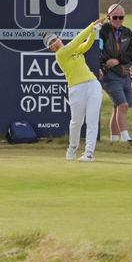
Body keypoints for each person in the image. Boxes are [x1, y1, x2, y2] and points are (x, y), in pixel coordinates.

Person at [46, 17, 105, 162]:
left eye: (54, 40)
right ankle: (72, 148)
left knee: (92, 120)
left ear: (59, 38)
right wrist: (92, 26)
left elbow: (86, 44)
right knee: (76, 122)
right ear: (50, 49)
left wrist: (94, 32)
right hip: (76, 89)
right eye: (51, 44)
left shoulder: (73, 50)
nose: (54, 44)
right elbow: (77, 41)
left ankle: (89, 153)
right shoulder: (60, 55)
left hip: (93, 84)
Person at [98, 4, 132, 143]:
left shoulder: (127, 33)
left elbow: (131, 54)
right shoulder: (103, 31)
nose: (118, 20)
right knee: (122, 105)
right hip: (109, 75)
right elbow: (98, 50)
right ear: (109, 17)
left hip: (124, 74)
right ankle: (126, 138)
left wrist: (117, 60)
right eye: (115, 17)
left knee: (117, 107)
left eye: (121, 17)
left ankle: (114, 140)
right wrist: (102, 65)